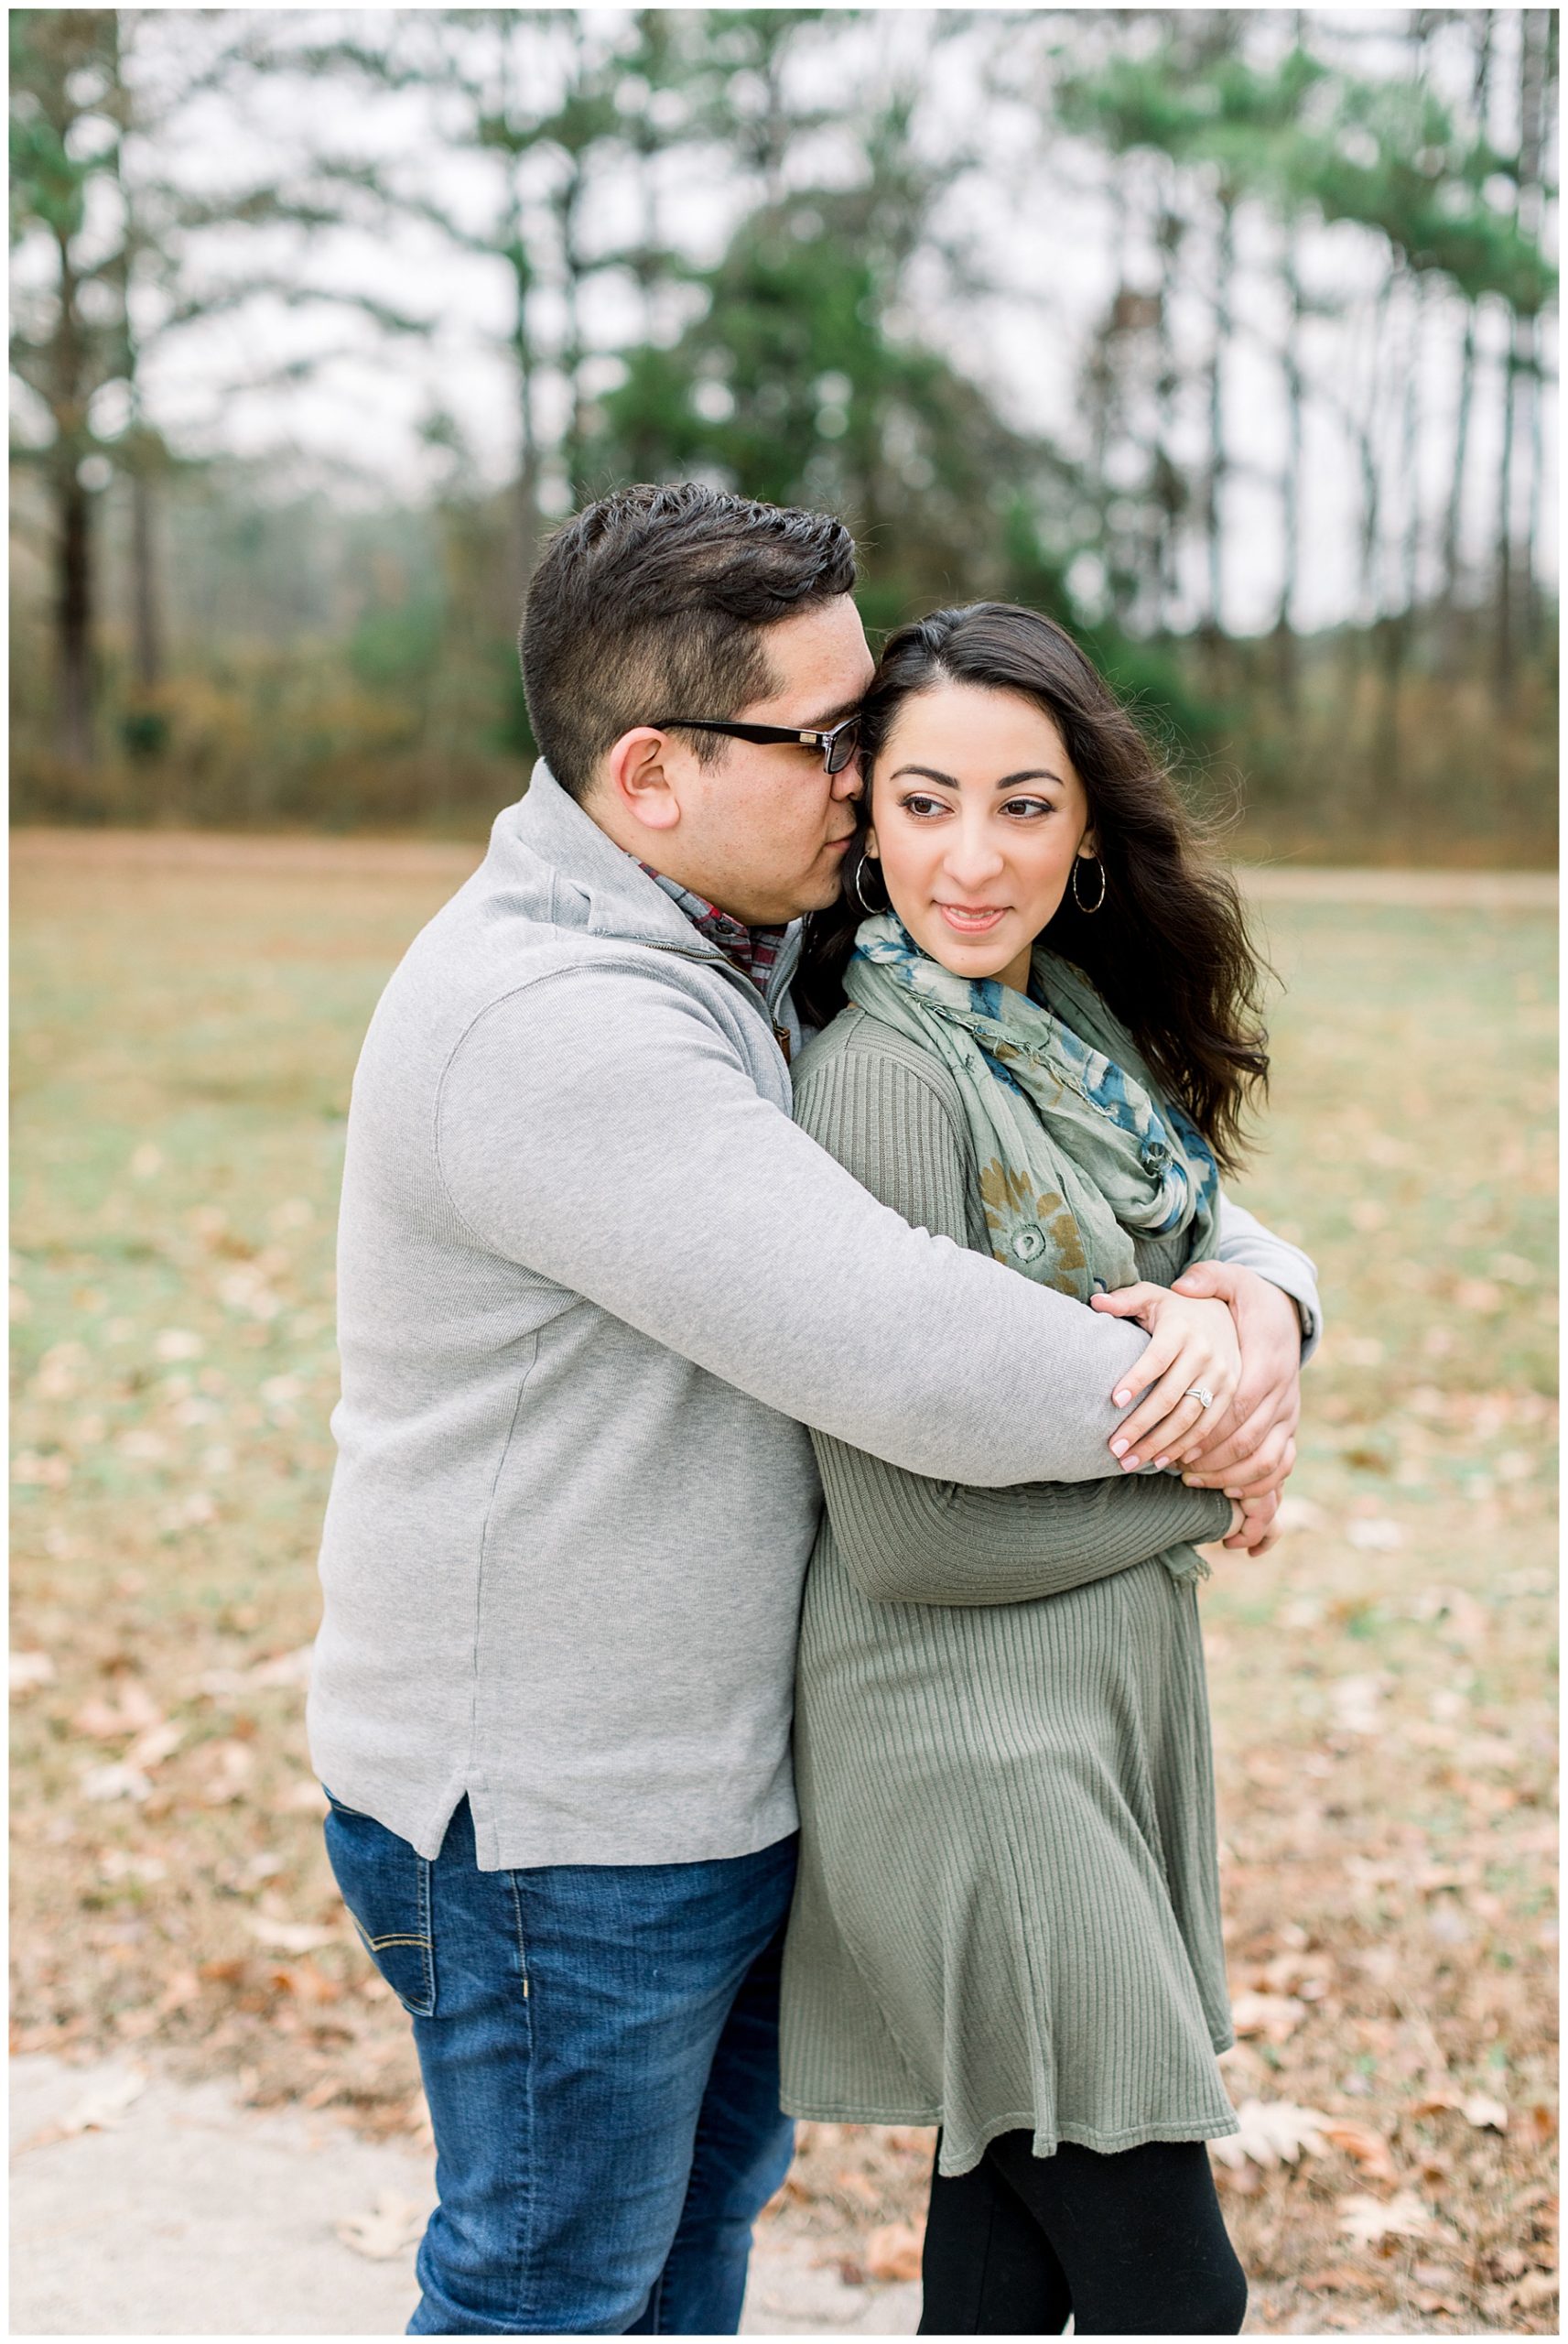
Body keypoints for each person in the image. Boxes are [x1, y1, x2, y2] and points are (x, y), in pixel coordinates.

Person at [306, 486, 1320, 2336]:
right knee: (553, 2287)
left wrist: (1256, 1302)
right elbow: (905, 1343)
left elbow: (1117, 1157)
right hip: (549, 1811)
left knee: (685, 2269)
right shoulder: (556, 1019)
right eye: (829, 741)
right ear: (652, 770)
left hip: (712, 1771)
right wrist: (1211, 1423)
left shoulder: (752, 929)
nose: (871, 782)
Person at [781, 601, 1303, 2336]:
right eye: (924, 802)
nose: (971, 860)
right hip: (961, 1739)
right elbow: (908, 1531)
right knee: (1175, 2288)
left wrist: (1252, 1321)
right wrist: (1208, 1473)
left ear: (1087, 832)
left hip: (1086, 1709)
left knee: (999, 2278)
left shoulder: (1067, 1039)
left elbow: (1220, 1249)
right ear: (862, 818)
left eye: (1022, 804)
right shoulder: (881, 1085)